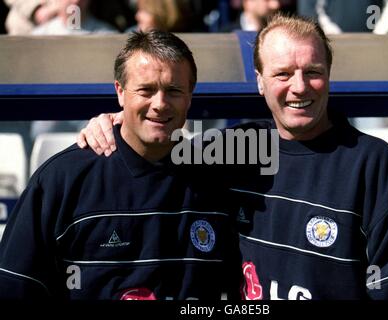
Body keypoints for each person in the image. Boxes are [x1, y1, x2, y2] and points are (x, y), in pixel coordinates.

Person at [76, 14, 388, 299]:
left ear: (329, 76)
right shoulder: (241, 147)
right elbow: (156, 147)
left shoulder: (372, 164)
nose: (299, 86)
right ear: (260, 82)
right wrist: (112, 121)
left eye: (313, 72)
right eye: (282, 74)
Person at [0, 30, 240, 300]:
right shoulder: (63, 180)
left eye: (173, 91)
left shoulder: (218, 181)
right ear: (120, 92)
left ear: (190, 96)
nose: (160, 104)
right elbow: (15, 287)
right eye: (146, 90)